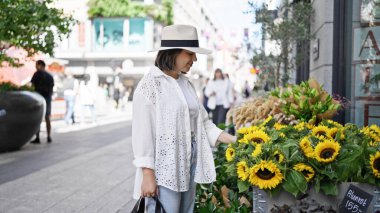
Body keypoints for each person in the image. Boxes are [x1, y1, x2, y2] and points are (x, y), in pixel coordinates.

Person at [132, 25, 236, 213]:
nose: (195, 59)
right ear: (173, 53)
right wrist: (147, 173)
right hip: (165, 168)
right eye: (190, 53)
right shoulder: (150, 85)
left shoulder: (186, 84)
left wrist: (236, 141)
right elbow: (143, 132)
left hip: (190, 161)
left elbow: (203, 123)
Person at [30, 60, 54, 143]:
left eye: (36, 65)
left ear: (40, 65)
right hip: (48, 98)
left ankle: (37, 137)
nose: (35, 67)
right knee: (47, 117)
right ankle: (49, 136)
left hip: (39, 98)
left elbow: (32, 86)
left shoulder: (36, 74)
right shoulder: (50, 76)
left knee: (38, 117)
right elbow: (51, 88)